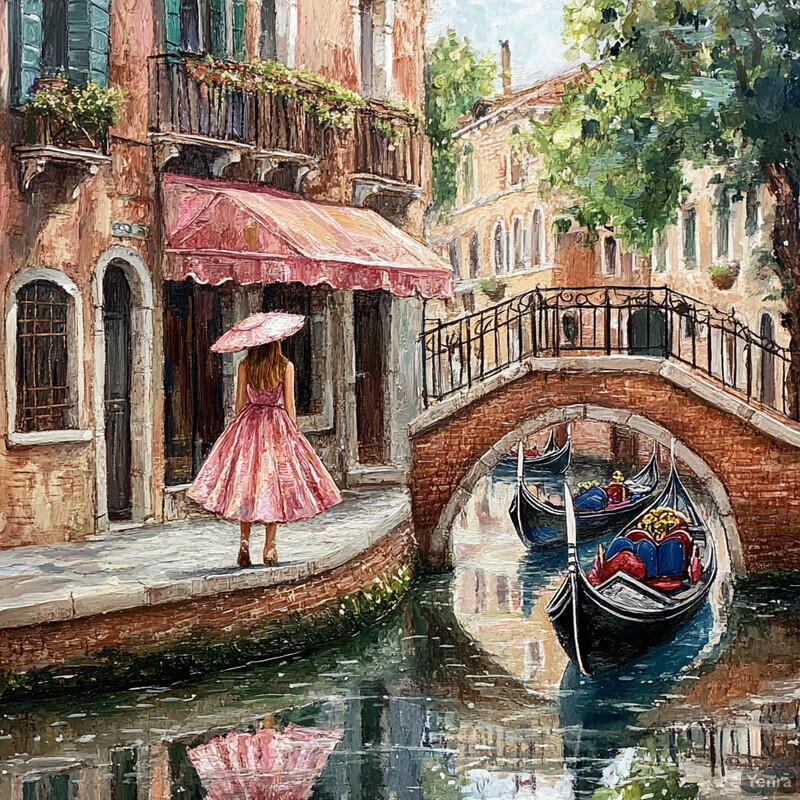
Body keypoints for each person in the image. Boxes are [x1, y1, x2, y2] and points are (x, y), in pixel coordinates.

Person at [188, 340, 342, 568]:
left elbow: (240, 404)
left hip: (248, 426)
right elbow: (289, 406)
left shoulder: (245, 365)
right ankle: (269, 547)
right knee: (273, 487)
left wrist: (238, 430)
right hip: (276, 427)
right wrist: (294, 433)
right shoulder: (284, 366)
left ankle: (244, 541)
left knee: (245, 484)